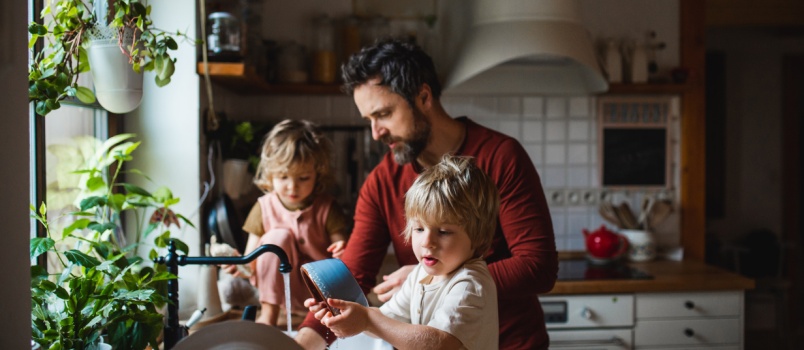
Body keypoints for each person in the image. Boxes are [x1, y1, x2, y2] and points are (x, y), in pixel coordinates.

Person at [295, 39, 557, 350]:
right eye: (369, 120)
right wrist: (300, 345)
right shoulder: (382, 180)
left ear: (423, 97)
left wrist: (434, 276)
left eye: (384, 114)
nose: (375, 132)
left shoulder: (501, 157)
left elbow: (537, 265)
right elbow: (350, 276)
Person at [307, 155, 500, 349]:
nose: (427, 242)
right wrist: (348, 314)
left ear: (478, 236)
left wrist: (368, 320)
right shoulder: (421, 274)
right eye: (419, 229)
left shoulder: (469, 284)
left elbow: (439, 344)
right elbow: (386, 321)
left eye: (443, 232)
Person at [233, 119, 349, 326]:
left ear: (317, 174)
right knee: (276, 238)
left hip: (319, 294)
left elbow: (343, 254)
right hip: (278, 294)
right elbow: (250, 261)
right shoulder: (263, 207)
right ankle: (268, 315)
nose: (292, 187)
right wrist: (238, 263)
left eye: (303, 178)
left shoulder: (327, 207)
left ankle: (316, 317)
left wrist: (343, 250)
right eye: (283, 177)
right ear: (270, 175)